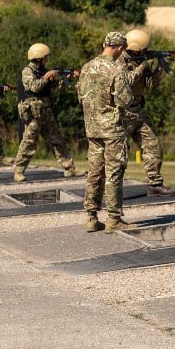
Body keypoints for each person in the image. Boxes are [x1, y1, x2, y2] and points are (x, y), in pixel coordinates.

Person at [78, 32, 133, 233]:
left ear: (104, 44)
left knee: (94, 173)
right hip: (112, 130)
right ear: (119, 48)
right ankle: (113, 219)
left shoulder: (86, 67)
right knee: (113, 173)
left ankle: (91, 217)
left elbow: (81, 97)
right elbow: (126, 99)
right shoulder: (116, 69)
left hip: (92, 129)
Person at [120, 29, 175, 196]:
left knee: (153, 145)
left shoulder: (139, 61)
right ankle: (109, 189)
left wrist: (159, 68)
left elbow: (151, 86)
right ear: (137, 48)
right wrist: (144, 66)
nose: (146, 52)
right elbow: (126, 82)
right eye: (144, 49)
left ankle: (155, 183)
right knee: (118, 154)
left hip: (138, 110)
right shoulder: (118, 61)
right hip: (121, 113)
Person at [13, 43, 77, 182]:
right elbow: (35, 87)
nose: (47, 59)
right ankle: (19, 171)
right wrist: (46, 77)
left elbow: (55, 87)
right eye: (45, 57)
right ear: (39, 57)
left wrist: (67, 78)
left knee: (56, 140)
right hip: (34, 113)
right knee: (29, 142)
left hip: (47, 111)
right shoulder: (27, 71)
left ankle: (68, 167)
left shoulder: (44, 70)